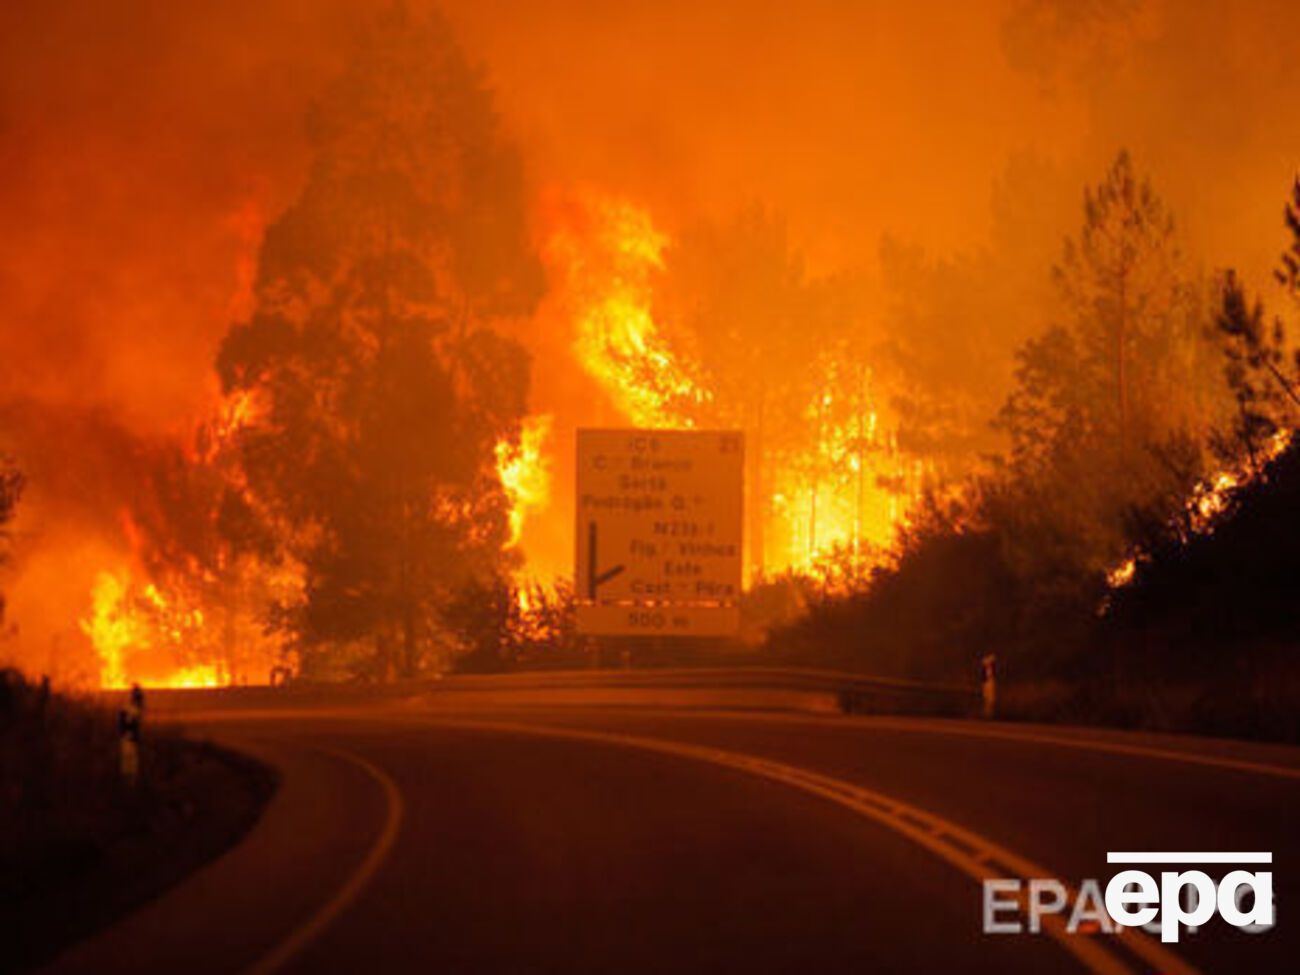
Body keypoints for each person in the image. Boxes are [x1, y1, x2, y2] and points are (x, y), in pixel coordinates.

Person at [118, 683, 144, 783]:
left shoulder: (128, 709)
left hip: (128, 740)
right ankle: (129, 786)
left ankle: (128, 785)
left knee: (128, 766)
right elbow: (127, 724)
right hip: (129, 740)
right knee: (130, 767)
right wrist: (129, 734)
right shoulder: (132, 710)